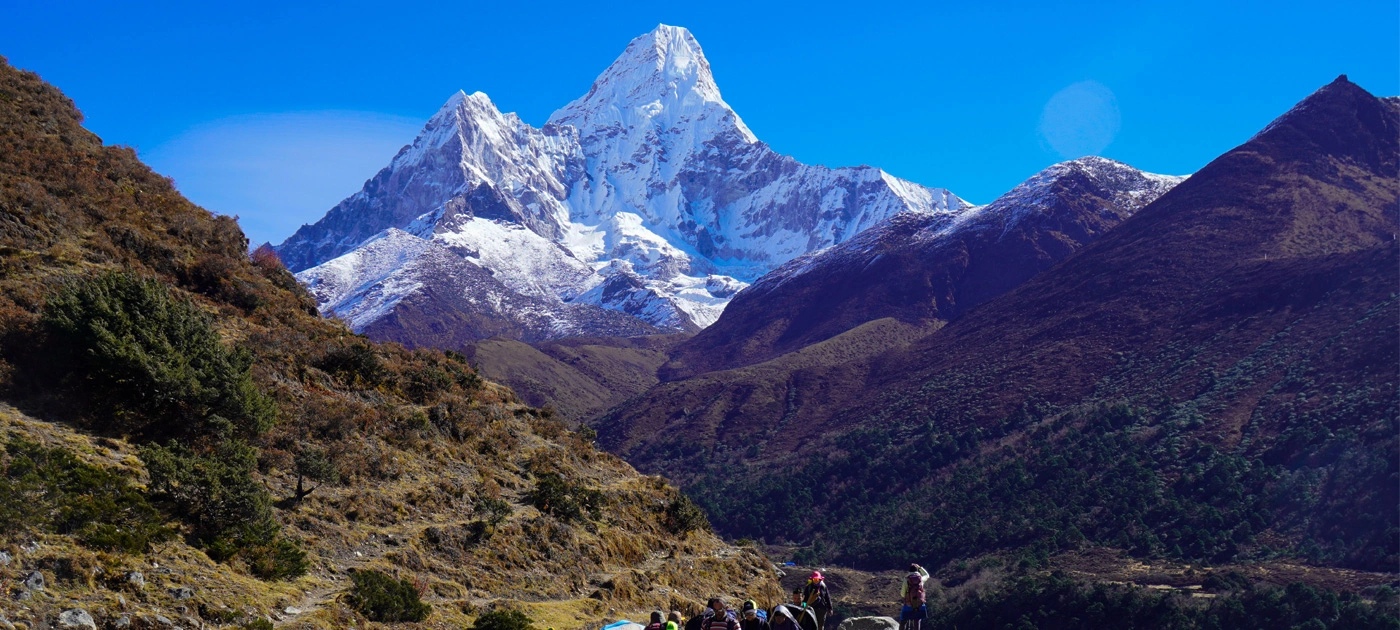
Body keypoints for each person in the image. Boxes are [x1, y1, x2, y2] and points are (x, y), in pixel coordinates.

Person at [899, 564, 929, 630]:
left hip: (909, 603)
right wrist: (920, 568)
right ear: (917, 571)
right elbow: (927, 575)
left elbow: (902, 594)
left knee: (903, 619)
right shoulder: (921, 579)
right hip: (919, 603)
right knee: (917, 620)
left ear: (909, 571)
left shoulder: (907, 579)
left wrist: (907, 596)